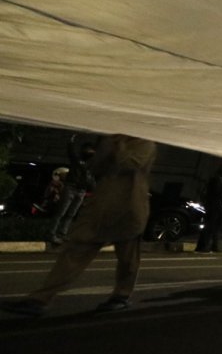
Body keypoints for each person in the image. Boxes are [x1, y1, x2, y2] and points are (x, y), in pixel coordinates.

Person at [2, 134, 157, 317]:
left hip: (129, 208)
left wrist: (118, 144)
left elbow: (128, 164)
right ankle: (41, 298)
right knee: (74, 252)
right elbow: (95, 166)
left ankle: (121, 296)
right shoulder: (110, 140)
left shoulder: (145, 143)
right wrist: (104, 146)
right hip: (101, 207)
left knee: (128, 259)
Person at [49, 135, 96, 245]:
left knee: (71, 214)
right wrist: (71, 141)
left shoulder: (91, 164)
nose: (91, 151)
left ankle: (62, 234)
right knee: (61, 212)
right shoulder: (77, 160)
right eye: (89, 149)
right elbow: (71, 151)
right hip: (71, 187)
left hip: (81, 190)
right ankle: (51, 234)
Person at [196, 162, 222, 253]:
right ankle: (203, 246)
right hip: (213, 205)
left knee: (217, 227)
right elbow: (216, 190)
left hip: (219, 205)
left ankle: (214, 246)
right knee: (209, 226)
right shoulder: (216, 177)